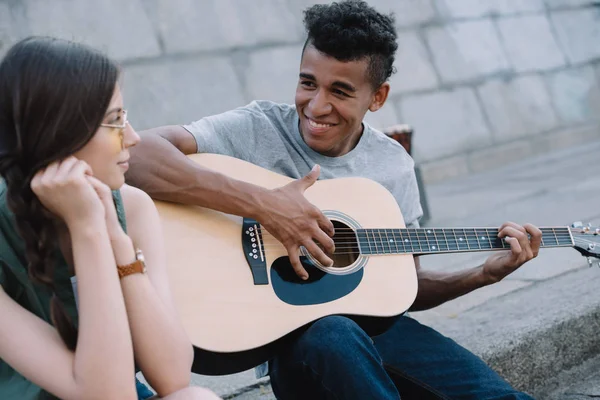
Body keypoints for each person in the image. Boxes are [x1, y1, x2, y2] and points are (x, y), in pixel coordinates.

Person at [125, 1, 541, 399]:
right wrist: (264, 205)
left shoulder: (391, 165)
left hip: (375, 334)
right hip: (296, 342)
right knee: (332, 333)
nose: (316, 105)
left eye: (340, 91)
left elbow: (403, 288)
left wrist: (481, 276)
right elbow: (135, 154)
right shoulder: (256, 127)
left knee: (496, 395)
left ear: (377, 98)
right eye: (308, 83)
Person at [0, 37, 219, 400]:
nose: (133, 138)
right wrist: (87, 230)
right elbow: (109, 396)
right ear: (60, 136)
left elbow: (174, 376)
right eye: (115, 122)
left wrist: (116, 241)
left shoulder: (131, 207)